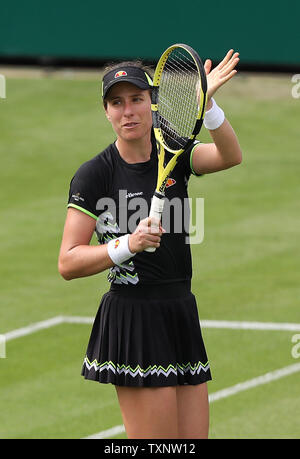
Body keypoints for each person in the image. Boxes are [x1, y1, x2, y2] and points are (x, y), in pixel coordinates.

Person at [58, 49, 242, 439]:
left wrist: (208, 106)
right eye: (117, 103)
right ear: (106, 112)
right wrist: (129, 243)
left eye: (137, 99)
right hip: (135, 320)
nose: (128, 112)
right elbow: (68, 262)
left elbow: (230, 155)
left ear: (152, 102)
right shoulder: (94, 175)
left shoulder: (173, 151)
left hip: (180, 310)